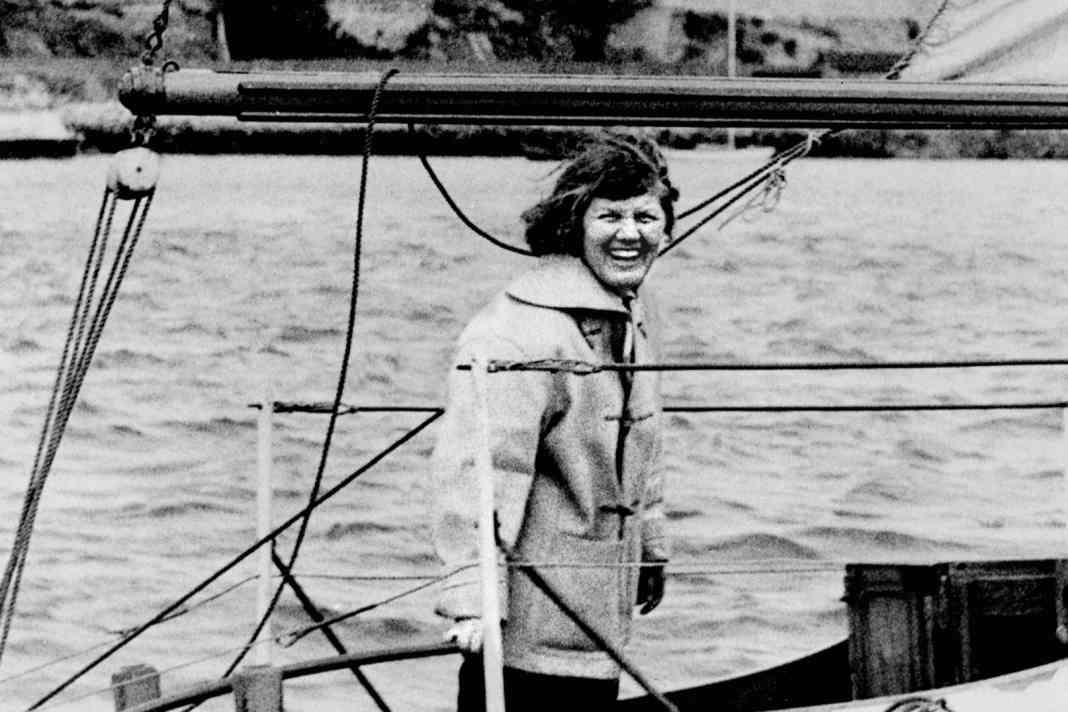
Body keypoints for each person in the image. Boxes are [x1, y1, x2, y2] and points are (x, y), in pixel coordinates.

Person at [431, 132, 677, 712]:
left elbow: (644, 444)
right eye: (609, 216)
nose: (629, 233)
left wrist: (650, 547)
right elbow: (480, 469)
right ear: (573, 223)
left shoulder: (625, 313)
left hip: (594, 621)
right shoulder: (517, 331)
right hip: (522, 635)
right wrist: (472, 599)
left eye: (646, 217)